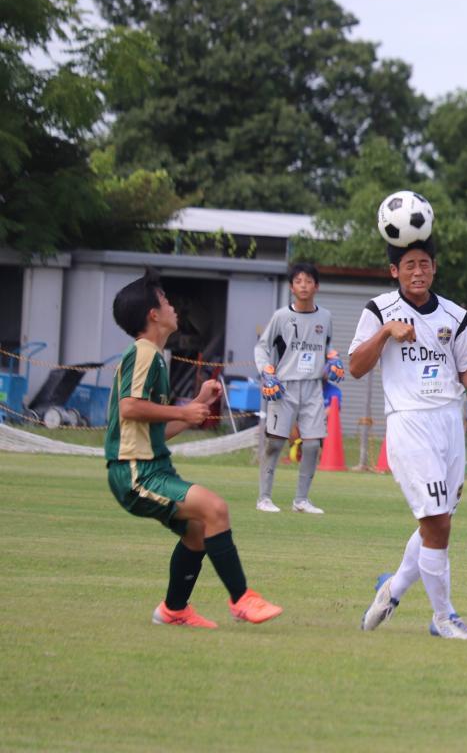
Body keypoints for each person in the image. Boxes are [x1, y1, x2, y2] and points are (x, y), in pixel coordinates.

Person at [106, 269, 282, 628]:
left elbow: (153, 430)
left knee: (197, 531)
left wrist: (193, 409)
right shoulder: (143, 353)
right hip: (136, 471)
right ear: (153, 314)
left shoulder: (154, 356)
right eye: (165, 300)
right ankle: (242, 599)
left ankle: (173, 610)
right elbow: (130, 407)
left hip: (151, 465)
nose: (173, 306)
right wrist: (182, 411)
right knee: (215, 508)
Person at [351, 237, 467, 640]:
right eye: (410, 265)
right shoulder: (379, 310)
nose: (418, 272)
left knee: (439, 523)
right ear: (394, 271)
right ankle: (443, 618)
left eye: (425, 264)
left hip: (450, 424)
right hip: (410, 423)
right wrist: (386, 332)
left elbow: (465, 374)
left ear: (434, 267)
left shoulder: (457, 316)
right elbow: (356, 367)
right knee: (436, 522)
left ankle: (394, 587)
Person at [253, 262, 344, 514]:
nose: (304, 286)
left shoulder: (325, 317)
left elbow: (326, 344)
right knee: (275, 443)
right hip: (284, 386)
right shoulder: (281, 316)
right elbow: (262, 347)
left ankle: (301, 500)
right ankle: (264, 498)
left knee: (312, 445)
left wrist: (334, 358)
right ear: (292, 287)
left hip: (313, 387)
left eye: (308, 281)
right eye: (298, 281)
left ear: (317, 286)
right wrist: (267, 373)